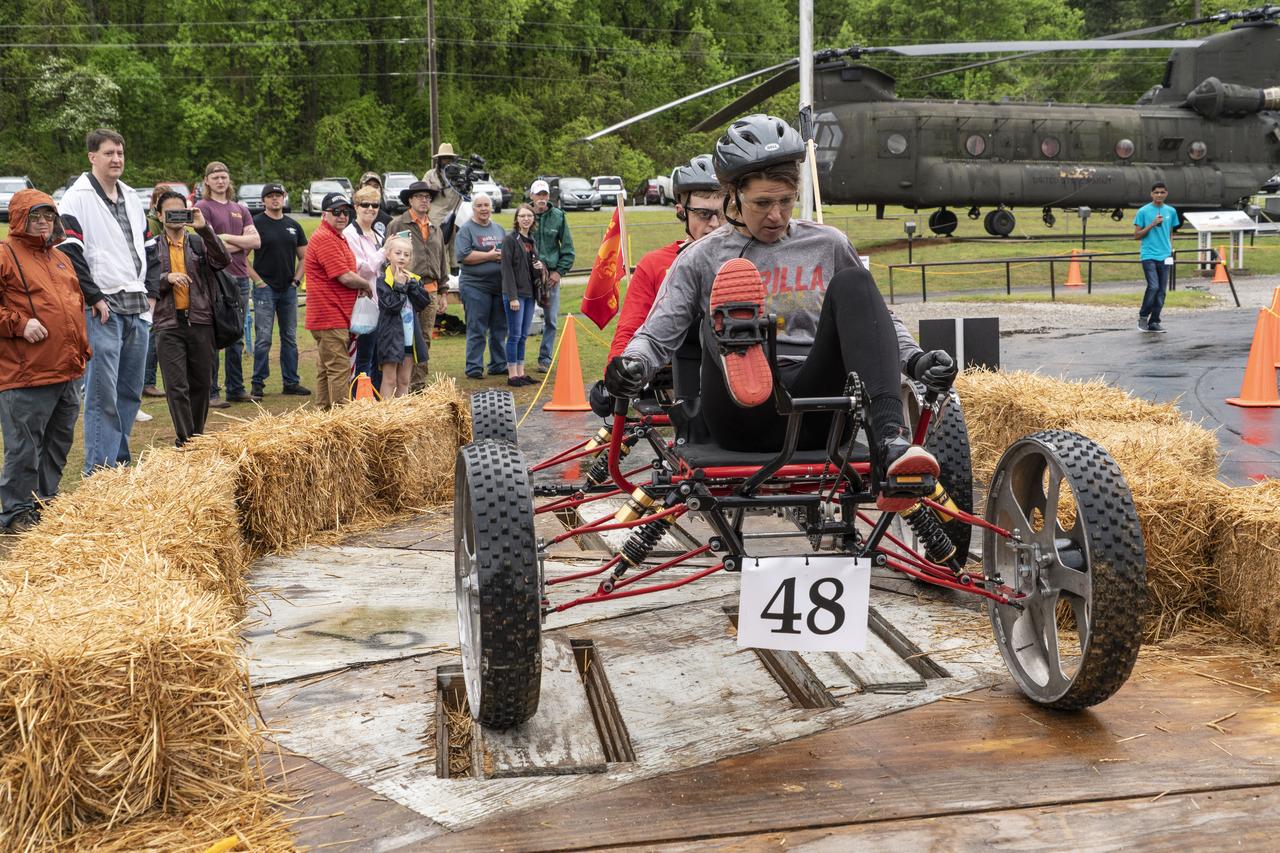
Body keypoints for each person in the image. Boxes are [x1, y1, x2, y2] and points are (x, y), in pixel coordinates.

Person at [607, 114, 957, 511]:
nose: (776, 215)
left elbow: (878, 321)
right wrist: (632, 364)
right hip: (740, 415)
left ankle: (891, 445)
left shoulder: (827, 243)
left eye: (785, 201)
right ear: (732, 197)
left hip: (818, 408)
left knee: (855, 285)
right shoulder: (700, 256)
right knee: (728, 306)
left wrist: (915, 360)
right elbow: (657, 333)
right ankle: (744, 348)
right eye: (761, 203)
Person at [590, 154, 726, 416]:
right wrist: (615, 372)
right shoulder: (655, 264)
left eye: (723, 214)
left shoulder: (749, 256)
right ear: (681, 212)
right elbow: (630, 326)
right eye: (704, 214)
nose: (715, 224)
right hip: (674, 379)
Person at [58, 128, 160, 474]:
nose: (116, 159)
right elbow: (69, 252)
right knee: (103, 395)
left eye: (120, 152)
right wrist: (94, 297)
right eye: (108, 153)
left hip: (138, 307)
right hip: (103, 309)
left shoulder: (131, 196)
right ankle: (98, 472)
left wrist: (153, 294)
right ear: (92, 157)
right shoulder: (77, 198)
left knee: (130, 393)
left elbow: (149, 248)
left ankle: (117, 464)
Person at [0, 190, 91, 533]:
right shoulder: (5, 255)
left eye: (48, 216)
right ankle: (16, 512)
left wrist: (82, 349)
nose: (43, 223)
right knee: (23, 448)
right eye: (36, 216)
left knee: (57, 445)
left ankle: (43, 503)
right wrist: (20, 324)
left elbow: (73, 306)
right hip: (25, 373)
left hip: (66, 370)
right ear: (20, 218)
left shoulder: (60, 258)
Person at [148, 191, 230, 445]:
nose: (176, 216)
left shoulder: (198, 242)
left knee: (201, 383)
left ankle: (197, 436)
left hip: (201, 321)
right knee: (176, 386)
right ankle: (186, 441)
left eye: (180, 211)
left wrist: (205, 229)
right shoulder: (150, 247)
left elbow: (223, 260)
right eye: (170, 211)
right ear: (159, 216)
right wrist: (166, 278)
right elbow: (141, 281)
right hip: (167, 323)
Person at [196, 161, 261, 404]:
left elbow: (256, 242)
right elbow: (207, 245)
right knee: (213, 334)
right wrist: (236, 243)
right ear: (207, 181)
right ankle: (211, 392)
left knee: (237, 333)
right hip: (216, 277)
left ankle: (236, 387)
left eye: (224, 176)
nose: (220, 181)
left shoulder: (240, 208)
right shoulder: (203, 207)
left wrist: (224, 239)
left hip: (241, 277)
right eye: (215, 177)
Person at [303, 192, 373, 409]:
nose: (342, 216)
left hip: (333, 314)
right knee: (339, 369)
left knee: (327, 369)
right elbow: (344, 275)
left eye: (346, 211)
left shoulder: (336, 236)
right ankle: (342, 417)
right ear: (324, 214)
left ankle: (322, 413)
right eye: (336, 212)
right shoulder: (325, 238)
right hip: (329, 315)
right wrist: (365, 284)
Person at [248, 183, 311, 399]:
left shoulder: (293, 225)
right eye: (270, 196)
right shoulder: (255, 223)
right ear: (264, 200)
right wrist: (257, 281)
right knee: (264, 338)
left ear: (284, 198)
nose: (275, 199)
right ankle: (258, 383)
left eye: (278, 195)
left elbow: (305, 256)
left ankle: (291, 382)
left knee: (290, 337)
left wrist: (296, 280)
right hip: (264, 289)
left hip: (288, 289)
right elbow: (242, 257)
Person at [388, 181, 450, 392]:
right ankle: (399, 385)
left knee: (424, 340)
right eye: (420, 196)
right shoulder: (398, 224)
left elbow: (442, 259)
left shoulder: (435, 228)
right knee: (403, 338)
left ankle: (418, 386)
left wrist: (443, 290)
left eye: (428, 197)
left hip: (430, 291)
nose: (425, 200)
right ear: (410, 200)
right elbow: (386, 255)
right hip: (404, 289)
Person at [373, 235, 432, 399]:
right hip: (390, 337)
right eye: (398, 253)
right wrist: (399, 286)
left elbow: (422, 303)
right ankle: (387, 413)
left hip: (409, 338)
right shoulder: (383, 280)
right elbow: (390, 306)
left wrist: (411, 285)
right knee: (390, 379)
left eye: (406, 254)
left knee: (404, 380)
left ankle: (403, 414)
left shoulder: (413, 279)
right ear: (388, 255)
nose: (402, 257)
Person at [456, 194, 507, 379]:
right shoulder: (466, 230)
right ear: (473, 208)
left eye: (487, 205)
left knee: (499, 327)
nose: (484, 208)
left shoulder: (499, 229)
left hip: (499, 286)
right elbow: (463, 256)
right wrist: (490, 256)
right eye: (479, 206)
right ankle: (474, 367)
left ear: (492, 207)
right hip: (475, 286)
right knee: (477, 327)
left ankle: (499, 364)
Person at [529, 179, 575, 372]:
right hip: (527, 275)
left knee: (551, 320)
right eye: (538, 195)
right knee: (521, 320)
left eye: (544, 195)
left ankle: (545, 359)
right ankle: (515, 362)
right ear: (531, 196)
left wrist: (558, 272)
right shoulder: (525, 215)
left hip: (550, 277)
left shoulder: (559, 216)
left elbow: (568, 250)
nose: (542, 198)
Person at [345, 186, 386, 388]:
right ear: (356, 206)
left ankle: (376, 400)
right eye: (365, 204)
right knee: (363, 358)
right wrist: (385, 252)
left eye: (375, 205)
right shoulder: (350, 234)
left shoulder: (378, 233)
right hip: (362, 303)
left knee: (379, 357)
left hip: (382, 302)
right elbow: (362, 269)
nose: (370, 209)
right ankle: (360, 403)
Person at [499, 204, 545, 387]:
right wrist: (512, 297)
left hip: (529, 294)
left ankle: (521, 372)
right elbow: (507, 270)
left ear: (533, 219)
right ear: (517, 219)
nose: (526, 219)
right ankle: (512, 375)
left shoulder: (530, 241)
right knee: (515, 335)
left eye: (529, 216)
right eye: (522, 216)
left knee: (523, 335)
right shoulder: (510, 240)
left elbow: (529, 270)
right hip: (515, 295)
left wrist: (539, 268)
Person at [1134, 181, 1180, 333]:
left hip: (1165, 255)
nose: (1159, 195)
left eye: (1162, 192)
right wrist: (1152, 224)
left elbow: (1170, 232)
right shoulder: (1143, 211)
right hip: (1149, 255)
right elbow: (1137, 235)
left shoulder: (1171, 211)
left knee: (1161, 291)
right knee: (1153, 286)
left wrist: (1170, 250)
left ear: (1166, 193)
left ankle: (1155, 321)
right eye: (1156, 192)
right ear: (1151, 194)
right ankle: (1143, 316)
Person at [141, 184, 170, 402]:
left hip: (166, 281)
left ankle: (149, 380)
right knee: (152, 334)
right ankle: (148, 381)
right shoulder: (152, 223)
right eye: (159, 198)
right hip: (156, 281)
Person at [357, 171, 392, 238]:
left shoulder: (388, 220)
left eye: (376, 186)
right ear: (359, 189)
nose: (371, 189)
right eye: (367, 185)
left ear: (381, 191)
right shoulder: (347, 215)